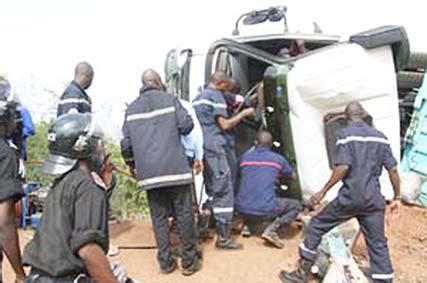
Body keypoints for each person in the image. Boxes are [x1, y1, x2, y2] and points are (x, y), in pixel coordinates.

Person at [279, 102, 401, 283]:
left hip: (350, 197)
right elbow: (393, 170)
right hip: (374, 200)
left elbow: (343, 166)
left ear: (346, 118)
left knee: (317, 225)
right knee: (377, 244)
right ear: (364, 115)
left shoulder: (344, 135)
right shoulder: (380, 137)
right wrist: (397, 196)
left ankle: (301, 273)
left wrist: (323, 190)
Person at [23, 113, 133, 283]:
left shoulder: (63, 182)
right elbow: (88, 250)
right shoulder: (88, 187)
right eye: (99, 144)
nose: (103, 150)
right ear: (85, 146)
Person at [121, 69, 202, 276]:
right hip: (175, 169)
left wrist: (132, 164)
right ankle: (189, 261)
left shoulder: (131, 109)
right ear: (158, 82)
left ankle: (165, 263)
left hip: (150, 174)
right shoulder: (170, 100)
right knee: (184, 213)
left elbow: (126, 144)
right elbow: (187, 126)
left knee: (159, 218)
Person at [192, 71, 255, 250]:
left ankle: (204, 226)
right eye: (226, 87)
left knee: (213, 189)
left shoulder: (197, 98)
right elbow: (225, 125)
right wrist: (244, 114)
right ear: (220, 84)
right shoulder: (215, 96)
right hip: (215, 147)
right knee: (225, 190)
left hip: (202, 149)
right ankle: (223, 238)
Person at [236, 130, 301, 249]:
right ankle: (272, 229)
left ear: (255, 143)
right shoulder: (277, 159)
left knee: (250, 192)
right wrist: (278, 175)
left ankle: (248, 226)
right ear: (271, 145)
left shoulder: (245, 157)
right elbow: (293, 176)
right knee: (295, 205)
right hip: (265, 209)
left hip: (241, 209)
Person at [0, 101, 26, 283]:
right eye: (12, 118)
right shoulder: (6, 155)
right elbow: (4, 221)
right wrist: (20, 273)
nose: (16, 123)